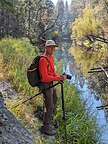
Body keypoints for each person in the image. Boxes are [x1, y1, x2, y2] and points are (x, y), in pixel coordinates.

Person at [39, 40, 66, 136]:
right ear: (46, 48)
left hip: (51, 84)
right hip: (45, 85)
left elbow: (52, 72)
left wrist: (58, 77)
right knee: (49, 105)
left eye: (54, 47)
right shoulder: (42, 60)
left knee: (54, 100)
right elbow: (45, 77)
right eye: (51, 47)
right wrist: (58, 78)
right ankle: (46, 127)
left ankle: (49, 120)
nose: (53, 49)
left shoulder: (51, 57)